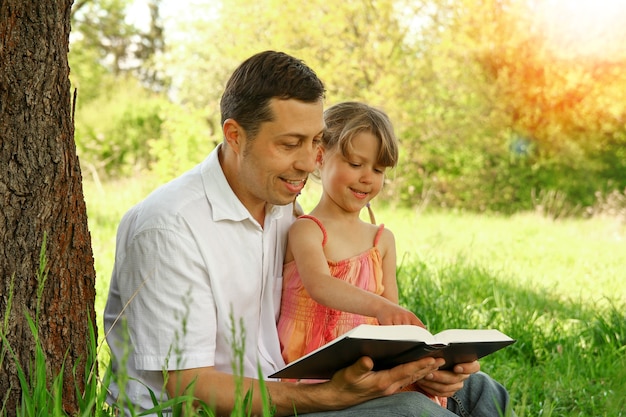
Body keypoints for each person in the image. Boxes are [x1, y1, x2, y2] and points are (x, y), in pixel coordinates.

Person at [103, 50, 516, 417]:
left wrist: (419, 367)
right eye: (290, 143)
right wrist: (331, 397)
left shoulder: (282, 203)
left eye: (316, 141)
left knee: (478, 390)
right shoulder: (168, 227)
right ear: (234, 135)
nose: (307, 163)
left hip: (288, 388)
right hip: (226, 408)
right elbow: (188, 386)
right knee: (410, 410)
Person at [277, 101, 446, 408]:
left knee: (479, 389)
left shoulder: (382, 240)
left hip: (371, 368)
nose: (367, 177)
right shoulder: (307, 230)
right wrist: (380, 308)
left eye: (378, 169)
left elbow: (392, 320)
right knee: (415, 409)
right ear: (319, 157)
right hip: (317, 378)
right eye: (355, 164)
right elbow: (320, 285)